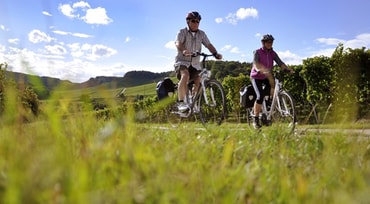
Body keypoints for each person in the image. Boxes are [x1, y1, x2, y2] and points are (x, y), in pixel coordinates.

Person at [174, 11, 222, 112]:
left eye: (198, 21)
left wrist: (215, 53)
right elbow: (178, 43)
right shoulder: (182, 32)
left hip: (195, 64)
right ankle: (181, 103)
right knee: (185, 76)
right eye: (193, 21)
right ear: (188, 22)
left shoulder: (202, 34)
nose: (196, 23)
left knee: (199, 79)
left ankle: (193, 100)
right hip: (182, 62)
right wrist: (184, 50)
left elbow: (208, 45)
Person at [250, 34, 293, 129]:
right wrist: (259, 70)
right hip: (256, 77)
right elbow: (256, 64)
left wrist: (287, 69)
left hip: (267, 76)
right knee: (260, 96)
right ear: (263, 43)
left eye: (271, 42)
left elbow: (280, 62)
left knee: (273, 87)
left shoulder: (273, 53)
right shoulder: (257, 52)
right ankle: (255, 119)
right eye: (268, 42)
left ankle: (268, 106)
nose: (270, 43)